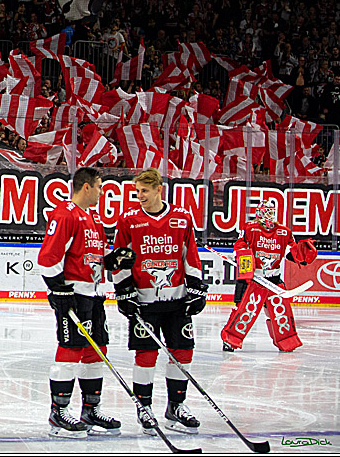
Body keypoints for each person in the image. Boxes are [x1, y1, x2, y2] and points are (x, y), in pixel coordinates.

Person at [111, 168, 206, 435]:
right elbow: (120, 257)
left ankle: (176, 406)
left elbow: (190, 254)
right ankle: (145, 407)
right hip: (145, 301)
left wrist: (197, 287)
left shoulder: (181, 217)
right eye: (137, 191)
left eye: (144, 191)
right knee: (146, 355)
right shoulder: (129, 220)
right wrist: (124, 291)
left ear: (158, 190)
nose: (139, 196)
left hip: (176, 300)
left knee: (182, 352)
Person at [38, 166, 131, 439]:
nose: (102, 192)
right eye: (100, 187)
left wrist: (114, 260)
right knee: (70, 350)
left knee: (97, 349)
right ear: (87, 186)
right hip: (74, 294)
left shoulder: (93, 217)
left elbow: (99, 256)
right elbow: (49, 258)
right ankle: (59, 411)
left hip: (94, 293)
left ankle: (91, 409)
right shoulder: (65, 214)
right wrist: (58, 290)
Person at [219, 198, 317, 353]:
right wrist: (242, 258)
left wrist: (302, 255)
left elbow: (291, 252)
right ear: (259, 214)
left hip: (273, 279)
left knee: (280, 311)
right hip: (254, 279)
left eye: (272, 212)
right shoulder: (250, 229)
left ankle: (287, 342)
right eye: (266, 212)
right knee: (245, 310)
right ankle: (231, 340)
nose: (270, 216)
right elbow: (240, 245)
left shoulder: (284, 232)